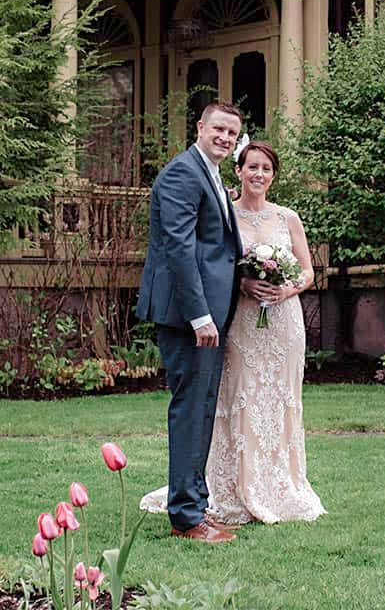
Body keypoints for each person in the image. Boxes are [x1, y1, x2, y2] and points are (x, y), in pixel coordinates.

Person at [140, 138, 324, 527]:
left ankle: (280, 484)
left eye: (266, 169)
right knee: (239, 396)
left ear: (274, 176)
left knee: (280, 399)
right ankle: (232, 485)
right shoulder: (226, 213)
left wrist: (286, 288)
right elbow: (213, 261)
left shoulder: (287, 217)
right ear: (238, 171)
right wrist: (244, 284)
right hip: (240, 320)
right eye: (252, 167)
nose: (259, 174)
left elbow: (308, 270)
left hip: (283, 322)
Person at [134, 102, 245, 545]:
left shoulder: (211, 175)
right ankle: (184, 517)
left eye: (232, 133)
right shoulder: (183, 174)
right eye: (218, 128)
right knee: (189, 411)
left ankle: (196, 506)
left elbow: (216, 245)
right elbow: (179, 250)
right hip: (189, 318)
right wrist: (200, 315)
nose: (224, 137)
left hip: (210, 315)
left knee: (202, 411)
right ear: (200, 127)